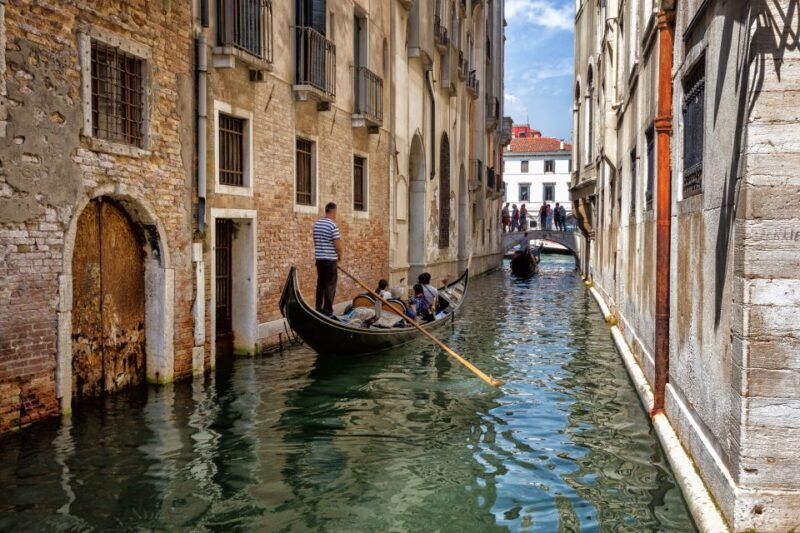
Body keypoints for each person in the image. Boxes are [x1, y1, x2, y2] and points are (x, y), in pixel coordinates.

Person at [313, 202, 342, 316]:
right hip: (330, 261)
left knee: (321, 283)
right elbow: (338, 245)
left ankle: (318, 307)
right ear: (333, 212)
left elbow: (316, 242)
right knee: (330, 285)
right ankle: (328, 310)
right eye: (336, 213)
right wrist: (339, 256)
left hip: (319, 260)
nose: (336, 215)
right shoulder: (332, 225)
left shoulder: (316, 224)